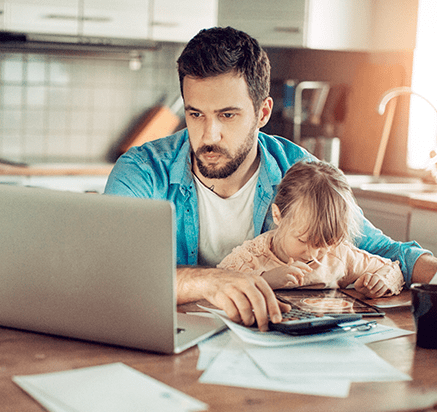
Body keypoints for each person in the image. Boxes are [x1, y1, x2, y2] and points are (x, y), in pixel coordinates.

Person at [104, 26, 437, 331]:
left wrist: (433, 270)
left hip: (270, 341)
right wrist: (212, 282)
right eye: (195, 114)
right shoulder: (142, 170)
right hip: (169, 340)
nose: (209, 135)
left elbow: (383, 251)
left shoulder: (301, 172)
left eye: (227, 115)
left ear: (262, 113)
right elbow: (115, 272)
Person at [218, 160, 404, 297]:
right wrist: (266, 279)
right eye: (303, 240)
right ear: (278, 216)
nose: (314, 255)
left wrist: (380, 282)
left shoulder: (339, 255)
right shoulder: (252, 257)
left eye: (326, 243)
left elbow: (391, 268)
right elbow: (216, 285)